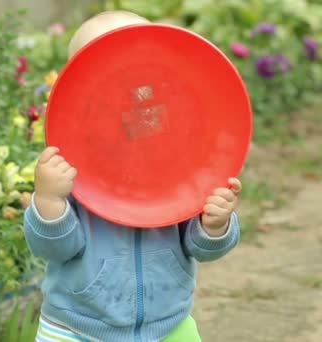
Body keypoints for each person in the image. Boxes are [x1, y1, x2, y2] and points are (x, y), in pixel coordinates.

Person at [24, 11, 242, 342]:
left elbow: (200, 248)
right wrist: (49, 199)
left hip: (168, 325)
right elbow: (55, 249)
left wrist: (214, 225)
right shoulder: (70, 168)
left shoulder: (178, 162)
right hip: (78, 329)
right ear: (78, 89)